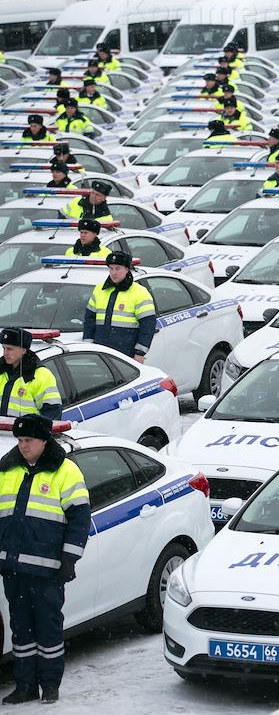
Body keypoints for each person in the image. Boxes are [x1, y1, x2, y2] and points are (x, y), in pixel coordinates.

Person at [0, 413, 90, 704]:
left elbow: (80, 519)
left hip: (48, 570)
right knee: (21, 630)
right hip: (13, 567)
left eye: (28, 440)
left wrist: (69, 558)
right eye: (20, 440)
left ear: (43, 441)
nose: (22, 445)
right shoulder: (6, 470)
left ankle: (50, 685)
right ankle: (25, 686)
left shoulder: (66, 471)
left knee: (48, 629)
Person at [82, 252, 155, 361]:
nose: (113, 272)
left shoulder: (140, 292)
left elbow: (148, 325)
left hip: (127, 354)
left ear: (127, 269)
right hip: (101, 353)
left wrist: (140, 353)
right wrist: (88, 346)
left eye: (117, 268)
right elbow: (89, 320)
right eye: (111, 268)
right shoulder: (99, 289)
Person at [0, 330, 61, 419]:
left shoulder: (41, 375)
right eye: (4, 348)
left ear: (23, 350)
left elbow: (53, 413)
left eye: (10, 349)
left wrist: (31, 425)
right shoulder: (2, 372)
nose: (5, 353)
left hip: (27, 429)